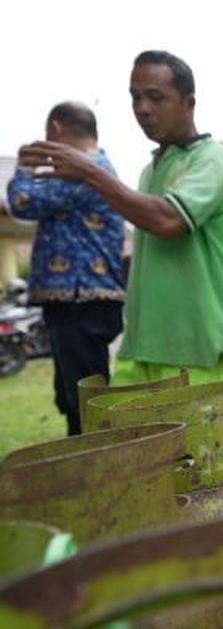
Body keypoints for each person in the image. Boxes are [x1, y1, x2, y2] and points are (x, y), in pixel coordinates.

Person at [18, 51, 223, 384]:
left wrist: (90, 172)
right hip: (141, 348)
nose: (142, 109)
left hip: (196, 352)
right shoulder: (150, 171)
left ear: (188, 103)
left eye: (156, 97)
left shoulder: (212, 159)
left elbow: (167, 221)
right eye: (135, 98)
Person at [6, 102, 125, 435]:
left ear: (56, 130)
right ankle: (88, 471)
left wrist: (25, 167)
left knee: (85, 404)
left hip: (81, 301)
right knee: (75, 397)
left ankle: (97, 474)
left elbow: (23, 202)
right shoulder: (94, 168)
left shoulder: (87, 168)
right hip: (78, 301)